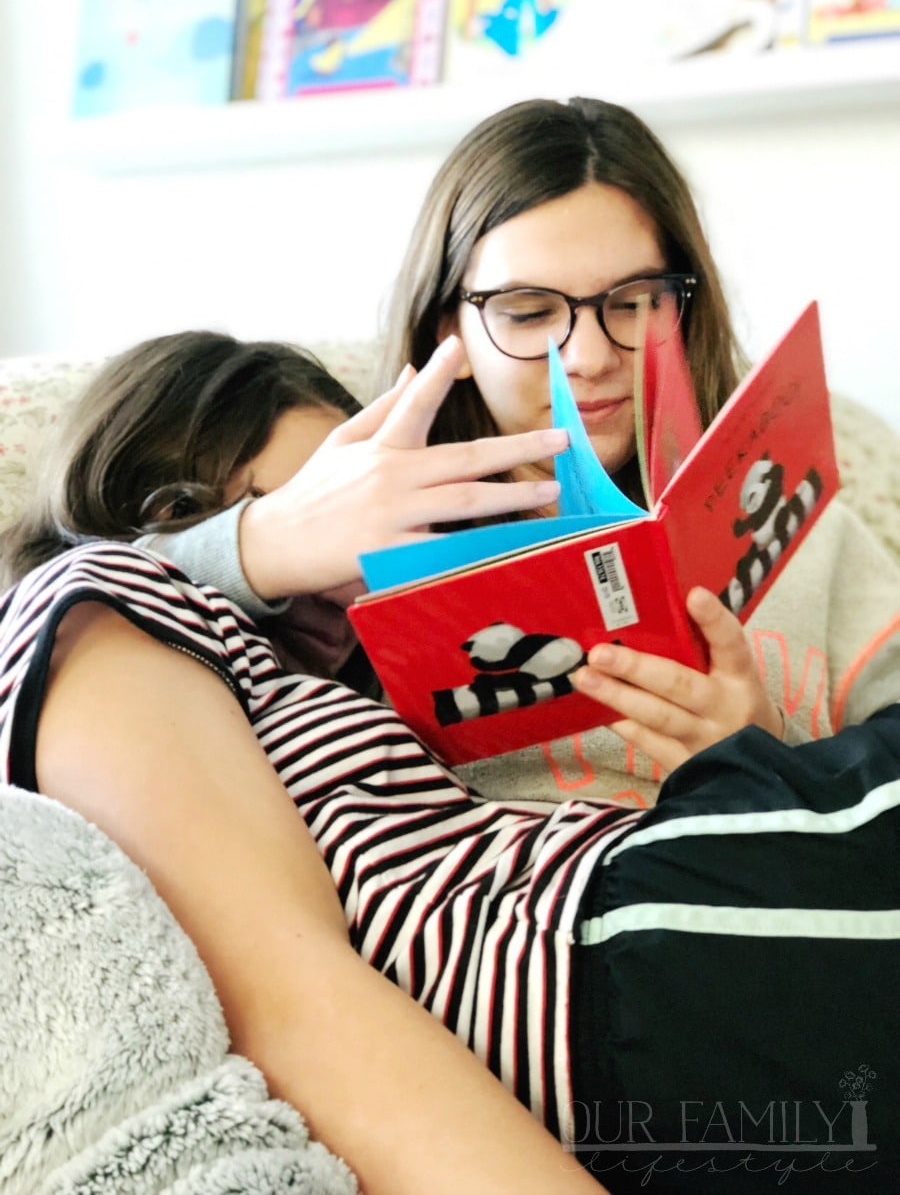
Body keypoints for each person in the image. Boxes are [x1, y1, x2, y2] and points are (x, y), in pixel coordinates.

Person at [1, 324, 897, 1195]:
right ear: (171, 511)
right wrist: (259, 545)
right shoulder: (88, 607)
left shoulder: (324, 683)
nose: (355, 565)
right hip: (598, 967)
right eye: (337, 501)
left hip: (642, 935)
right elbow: (287, 1001)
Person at [127, 98, 900, 812]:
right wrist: (262, 543)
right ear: (449, 332)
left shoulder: (803, 525)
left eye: (635, 303)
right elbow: (94, 619)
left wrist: (776, 763)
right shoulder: (358, 542)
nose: (589, 357)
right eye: (529, 313)